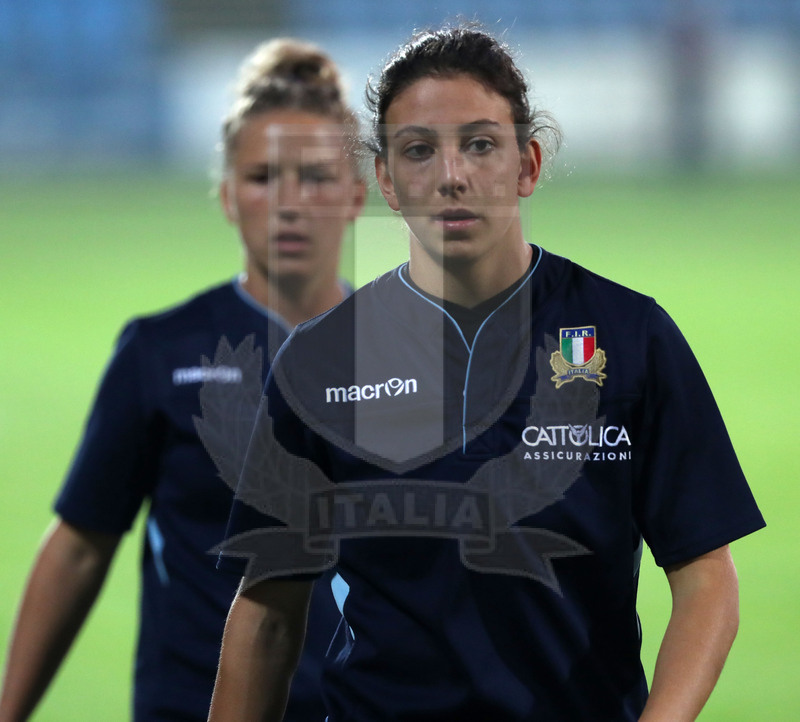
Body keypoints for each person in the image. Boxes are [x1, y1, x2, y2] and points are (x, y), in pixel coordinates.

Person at [209, 24, 766, 722]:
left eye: (479, 144)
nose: (451, 175)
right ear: (385, 178)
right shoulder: (322, 362)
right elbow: (267, 613)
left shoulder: (629, 336)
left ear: (527, 163)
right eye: (418, 150)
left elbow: (706, 578)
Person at [0, 38, 366, 722]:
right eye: (262, 176)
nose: (288, 202)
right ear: (227, 195)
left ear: (355, 194)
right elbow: (80, 546)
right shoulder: (161, 350)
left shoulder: (409, 357)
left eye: (314, 176)